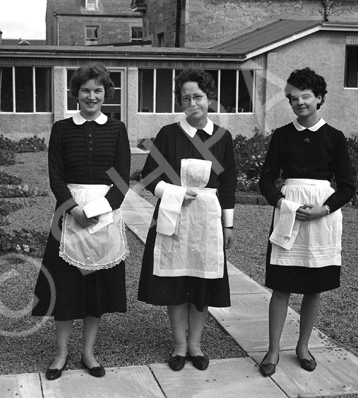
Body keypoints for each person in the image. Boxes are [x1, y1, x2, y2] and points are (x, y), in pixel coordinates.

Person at [32, 63, 130, 380]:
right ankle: (61, 353)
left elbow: (122, 180)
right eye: (86, 90)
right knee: (65, 286)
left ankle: (88, 352)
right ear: (76, 93)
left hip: (105, 217)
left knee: (95, 288)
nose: (91, 96)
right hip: (68, 215)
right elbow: (56, 176)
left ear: (106, 94)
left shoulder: (117, 130)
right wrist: (73, 208)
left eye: (98, 91)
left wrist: (99, 211)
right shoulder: (62, 129)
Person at [258, 67, 355, 376]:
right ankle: (273, 350)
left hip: (321, 219)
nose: (300, 103)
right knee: (281, 286)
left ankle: (302, 346)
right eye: (294, 98)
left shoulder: (334, 137)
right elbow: (266, 179)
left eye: (306, 97)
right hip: (289, 216)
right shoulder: (283, 136)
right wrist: (281, 203)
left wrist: (323, 209)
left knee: (314, 288)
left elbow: (348, 186)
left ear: (320, 99)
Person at [137, 68, 237, 372]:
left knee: (201, 280)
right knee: (176, 281)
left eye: (198, 96)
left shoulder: (222, 137)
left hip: (208, 218)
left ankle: (196, 344)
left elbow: (229, 182)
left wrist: (228, 224)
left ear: (210, 99)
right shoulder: (169, 134)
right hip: (174, 216)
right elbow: (149, 177)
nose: (192, 102)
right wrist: (176, 192)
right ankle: (179, 345)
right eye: (185, 98)